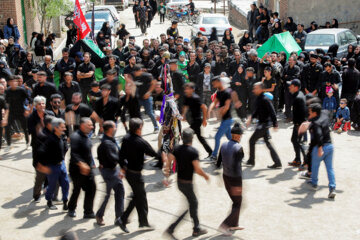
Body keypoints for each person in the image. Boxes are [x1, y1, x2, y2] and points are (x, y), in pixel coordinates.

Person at [164, 128, 209, 239]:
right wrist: (205, 175)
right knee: (192, 205)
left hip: (180, 183)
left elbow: (169, 160)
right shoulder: (193, 152)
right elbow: (197, 169)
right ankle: (172, 228)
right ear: (192, 139)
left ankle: (196, 229)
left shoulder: (177, 149)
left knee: (192, 204)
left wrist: (167, 175)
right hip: (188, 184)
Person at [119, 118, 162, 230]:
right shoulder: (140, 142)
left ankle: (143, 222)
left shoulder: (126, 138)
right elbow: (154, 154)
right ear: (139, 128)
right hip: (136, 175)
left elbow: (121, 156)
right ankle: (123, 219)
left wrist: (122, 168)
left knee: (139, 196)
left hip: (129, 173)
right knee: (138, 197)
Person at [95, 121, 129, 233]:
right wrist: (123, 164)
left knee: (119, 191)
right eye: (114, 127)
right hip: (109, 172)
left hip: (112, 170)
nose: (116, 128)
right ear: (109, 129)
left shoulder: (110, 140)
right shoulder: (107, 143)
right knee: (108, 194)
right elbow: (114, 157)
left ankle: (119, 217)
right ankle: (100, 215)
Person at [299, 103, 336, 199]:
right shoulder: (324, 113)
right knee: (330, 169)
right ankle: (332, 188)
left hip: (320, 147)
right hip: (330, 146)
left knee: (315, 166)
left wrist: (320, 148)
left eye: (310, 111)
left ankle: (314, 183)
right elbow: (328, 113)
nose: (309, 113)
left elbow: (319, 135)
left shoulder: (316, 123)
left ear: (315, 113)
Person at [216, 123, 245, 236]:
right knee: (238, 203)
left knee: (235, 202)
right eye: (241, 135)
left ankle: (234, 224)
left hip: (225, 177)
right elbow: (236, 166)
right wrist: (237, 186)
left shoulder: (223, 145)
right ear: (237, 136)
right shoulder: (239, 148)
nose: (241, 137)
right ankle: (225, 225)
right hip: (235, 179)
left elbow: (218, 163)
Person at [245, 82, 281, 168]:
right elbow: (257, 111)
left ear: (261, 89)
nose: (254, 90)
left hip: (264, 125)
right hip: (263, 124)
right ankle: (277, 162)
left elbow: (272, 111)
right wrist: (251, 118)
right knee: (268, 142)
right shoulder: (259, 98)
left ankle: (251, 161)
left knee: (252, 141)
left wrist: (275, 124)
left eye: (255, 88)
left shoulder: (265, 99)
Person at [68, 118, 97, 218]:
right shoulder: (75, 137)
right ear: (82, 125)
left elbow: (87, 152)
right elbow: (74, 153)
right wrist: (81, 164)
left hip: (88, 169)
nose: (92, 127)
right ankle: (71, 208)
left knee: (92, 188)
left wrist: (91, 163)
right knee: (77, 189)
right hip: (77, 170)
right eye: (90, 125)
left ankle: (88, 211)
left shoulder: (86, 136)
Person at [38, 118, 69, 210]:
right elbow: (41, 152)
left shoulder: (63, 137)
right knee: (52, 185)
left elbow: (65, 148)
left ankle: (65, 202)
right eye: (62, 127)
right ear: (55, 128)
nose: (65, 129)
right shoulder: (50, 140)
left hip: (62, 164)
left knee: (66, 183)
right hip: (52, 166)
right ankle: (49, 201)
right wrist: (43, 165)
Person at [207, 77, 234, 161]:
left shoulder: (227, 92)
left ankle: (214, 155)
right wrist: (209, 110)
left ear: (219, 82)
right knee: (230, 138)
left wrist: (218, 115)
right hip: (225, 119)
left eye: (214, 83)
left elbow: (226, 107)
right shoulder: (219, 92)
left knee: (217, 137)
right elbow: (214, 102)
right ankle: (238, 152)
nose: (213, 85)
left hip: (227, 119)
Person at [182, 82, 212, 156]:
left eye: (188, 89)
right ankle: (211, 152)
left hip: (197, 121)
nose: (186, 90)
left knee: (186, 134)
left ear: (192, 90)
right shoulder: (187, 97)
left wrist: (204, 120)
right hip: (192, 120)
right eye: (185, 89)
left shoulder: (196, 98)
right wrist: (183, 115)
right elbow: (185, 106)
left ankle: (187, 152)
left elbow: (204, 107)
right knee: (200, 138)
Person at [27, 96, 47, 202]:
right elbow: (31, 131)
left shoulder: (49, 115)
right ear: (35, 105)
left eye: (43, 103)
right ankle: (36, 195)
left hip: (49, 146)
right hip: (37, 146)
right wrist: (40, 128)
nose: (42, 105)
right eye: (39, 104)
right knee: (39, 171)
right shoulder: (31, 118)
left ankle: (47, 189)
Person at [5, 76, 31, 148]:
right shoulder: (7, 91)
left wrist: (27, 109)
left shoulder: (21, 90)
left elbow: (29, 99)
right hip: (11, 112)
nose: (13, 83)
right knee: (7, 127)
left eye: (15, 81)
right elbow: (6, 103)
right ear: (9, 83)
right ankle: (9, 144)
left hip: (21, 111)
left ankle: (27, 142)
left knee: (25, 128)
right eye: (12, 82)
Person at [132, 64, 159, 132]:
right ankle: (137, 128)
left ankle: (156, 127)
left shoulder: (147, 76)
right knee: (136, 113)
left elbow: (154, 83)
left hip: (147, 98)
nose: (135, 73)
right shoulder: (134, 76)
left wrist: (149, 92)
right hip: (138, 98)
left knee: (149, 112)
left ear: (140, 71)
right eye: (134, 72)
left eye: (136, 72)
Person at [288, 79, 307, 167]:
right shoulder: (298, 94)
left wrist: (299, 125)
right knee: (295, 140)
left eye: (291, 86)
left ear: (295, 87)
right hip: (298, 123)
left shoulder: (298, 98)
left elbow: (303, 112)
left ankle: (306, 161)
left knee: (298, 142)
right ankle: (298, 159)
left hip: (300, 124)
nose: (289, 87)